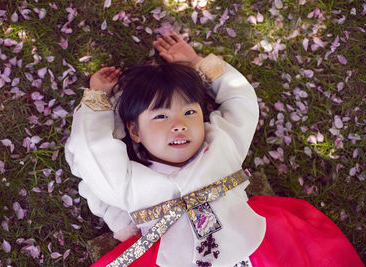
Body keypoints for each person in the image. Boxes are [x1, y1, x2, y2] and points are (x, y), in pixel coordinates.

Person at [65, 33, 363, 267]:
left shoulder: (221, 145)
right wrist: (97, 100)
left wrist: (198, 63)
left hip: (259, 248)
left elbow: (242, 103)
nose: (179, 125)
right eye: (160, 116)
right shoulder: (129, 182)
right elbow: (90, 151)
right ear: (133, 131)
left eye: (190, 113)